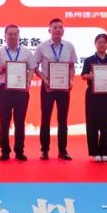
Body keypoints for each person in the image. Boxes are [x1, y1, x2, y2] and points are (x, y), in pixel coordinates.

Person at [33, 18, 77, 160]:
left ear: (63, 30)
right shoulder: (42, 47)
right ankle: (44, 150)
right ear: (49, 30)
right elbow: (34, 67)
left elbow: (72, 66)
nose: (58, 30)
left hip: (64, 88)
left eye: (60, 27)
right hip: (48, 88)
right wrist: (44, 79)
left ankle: (62, 150)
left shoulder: (69, 46)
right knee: (45, 118)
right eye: (55, 27)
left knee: (62, 119)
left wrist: (71, 80)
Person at [0, 24, 35, 161]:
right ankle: (5, 151)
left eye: (15, 34)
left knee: (20, 121)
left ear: (19, 35)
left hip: (21, 90)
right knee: (4, 121)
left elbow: (32, 69)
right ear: (5, 36)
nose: (13, 36)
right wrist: (1, 70)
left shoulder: (27, 52)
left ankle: (19, 151)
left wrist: (28, 82)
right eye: (10, 34)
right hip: (4, 90)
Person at [82, 33, 107, 162]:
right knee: (92, 123)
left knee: (106, 123)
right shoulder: (89, 60)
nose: (102, 45)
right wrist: (90, 76)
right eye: (99, 42)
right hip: (92, 95)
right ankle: (95, 152)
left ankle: (106, 151)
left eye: (104, 42)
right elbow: (83, 76)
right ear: (95, 44)